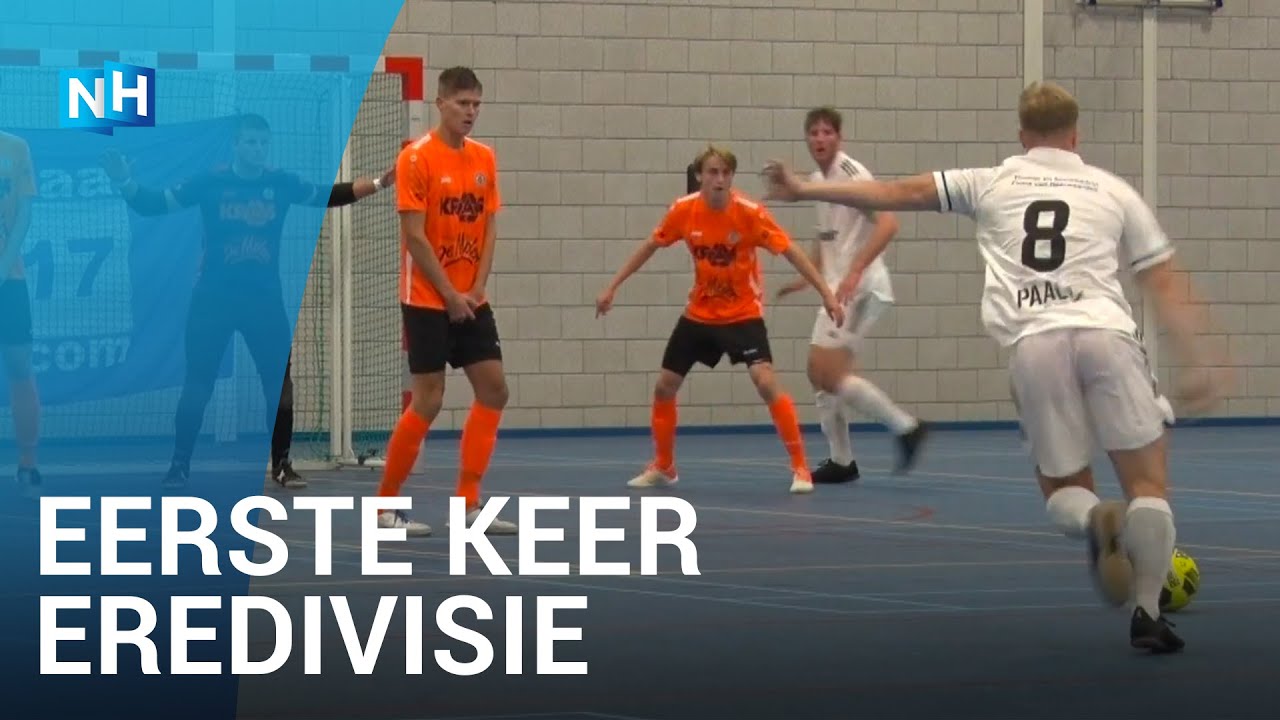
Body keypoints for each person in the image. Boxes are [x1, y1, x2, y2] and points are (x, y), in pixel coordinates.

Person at [762, 81, 1226, 653]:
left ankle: (1093, 523)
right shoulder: (1112, 189)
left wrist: (803, 188)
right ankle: (1148, 613)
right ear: (1076, 135)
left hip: (1036, 343)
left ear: (1022, 135)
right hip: (1106, 333)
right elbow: (1162, 279)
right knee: (1148, 484)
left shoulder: (990, 181)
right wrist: (1201, 359)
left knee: (1063, 487)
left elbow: (894, 193)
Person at [101, 113, 393, 490]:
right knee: (198, 385)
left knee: (279, 386)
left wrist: (379, 183)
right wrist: (123, 181)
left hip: (264, 303)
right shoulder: (210, 182)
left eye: (263, 142)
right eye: (250, 142)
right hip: (213, 301)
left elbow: (328, 195)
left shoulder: (280, 183)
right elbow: (153, 203)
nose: (257, 149)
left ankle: (282, 464)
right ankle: (179, 464)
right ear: (236, 145)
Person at [596, 145, 844, 495]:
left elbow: (792, 252)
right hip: (700, 313)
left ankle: (801, 467)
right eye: (713, 172)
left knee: (765, 381)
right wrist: (613, 287)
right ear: (700, 176)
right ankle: (664, 466)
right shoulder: (684, 211)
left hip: (743, 313)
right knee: (665, 385)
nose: (719, 179)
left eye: (726, 173)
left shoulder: (749, 213)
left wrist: (827, 294)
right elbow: (650, 246)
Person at [375, 66, 516, 537]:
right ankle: (384, 508)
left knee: (494, 389)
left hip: (471, 297)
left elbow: (489, 226)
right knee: (429, 399)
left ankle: (468, 504)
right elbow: (414, 237)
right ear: (440, 104)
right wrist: (450, 294)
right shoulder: (416, 158)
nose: (470, 112)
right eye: (462, 103)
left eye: (476, 104)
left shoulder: (484, 158)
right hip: (427, 299)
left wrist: (476, 288)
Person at [774, 107, 929, 483]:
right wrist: (807, 278)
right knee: (818, 374)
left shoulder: (852, 174)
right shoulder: (817, 181)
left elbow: (888, 223)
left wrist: (856, 269)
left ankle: (906, 427)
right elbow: (826, 236)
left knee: (828, 372)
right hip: (836, 289)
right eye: (814, 132)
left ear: (839, 138)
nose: (820, 139)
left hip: (860, 289)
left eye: (827, 132)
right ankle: (842, 460)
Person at [0, 131, 40, 497]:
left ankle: (27, 462)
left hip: (8, 279)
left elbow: (25, 214)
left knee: (18, 364)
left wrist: (3, 267)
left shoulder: (15, 148)